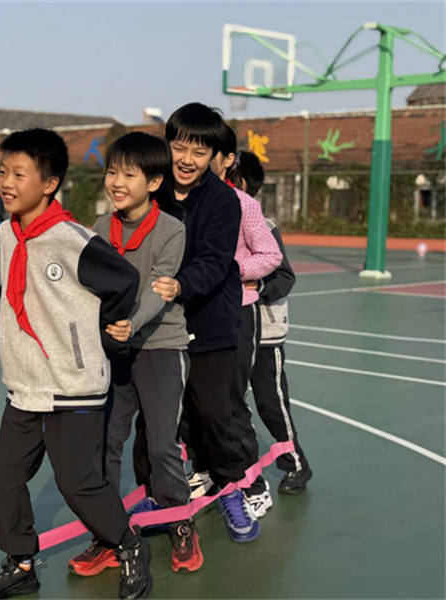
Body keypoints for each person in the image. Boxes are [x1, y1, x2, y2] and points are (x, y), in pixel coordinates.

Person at [0, 128, 152, 600]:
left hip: (73, 385)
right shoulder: (8, 231)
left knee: (78, 484)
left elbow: (124, 281)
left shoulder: (72, 239)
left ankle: (129, 545)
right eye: (3, 172)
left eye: (19, 174)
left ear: (49, 183)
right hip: (25, 383)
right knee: (5, 476)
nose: (6, 182)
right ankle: (20, 563)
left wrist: (96, 331)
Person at [67, 131, 201, 577]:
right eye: (111, 173)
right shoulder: (100, 227)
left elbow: (160, 289)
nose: (116, 183)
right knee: (106, 444)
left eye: (128, 175)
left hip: (161, 347)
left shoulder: (172, 230)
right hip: (115, 352)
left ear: (155, 182)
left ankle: (180, 523)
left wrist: (130, 322)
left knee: (162, 445)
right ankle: (109, 536)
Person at [150, 103, 260, 543]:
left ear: (215, 155)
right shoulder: (153, 189)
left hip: (210, 320)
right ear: (168, 146)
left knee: (215, 412)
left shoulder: (223, 200)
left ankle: (232, 489)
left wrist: (179, 285)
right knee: (158, 420)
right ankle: (160, 497)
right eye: (180, 148)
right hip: (157, 324)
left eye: (199, 151)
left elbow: (215, 262)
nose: (187, 159)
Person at [229, 152, 313, 495]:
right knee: (231, 402)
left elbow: (285, 277)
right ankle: (239, 468)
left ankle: (296, 464)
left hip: (265, 334)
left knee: (271, 403)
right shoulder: (219, 221)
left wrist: (259, 285)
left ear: (241, 183)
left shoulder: (264, 226)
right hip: (235, 331)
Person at [210, 130, 283, 518]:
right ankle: (211, 472)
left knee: (232, 400)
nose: (190, 159)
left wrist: (229, 269)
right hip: (194, 314)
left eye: (202, 151)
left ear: (225, 161)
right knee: (198, 402)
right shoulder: (178, 202)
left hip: (238, 311)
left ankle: (252, 481)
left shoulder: (243, 205)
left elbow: (271, 256)